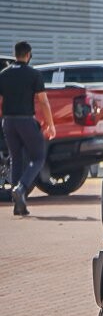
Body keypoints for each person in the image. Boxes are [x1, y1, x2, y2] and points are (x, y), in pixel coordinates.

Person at [0, 41, 56, 216]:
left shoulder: (3, 74)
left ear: (15, 54)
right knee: (38, 157)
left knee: (15, 158)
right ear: (28, 54)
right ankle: (21, 187)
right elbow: (43, 101)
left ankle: (19, 204)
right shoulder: (33, 74)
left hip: (8, 122)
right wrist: (50, 124)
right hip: (26, 121)